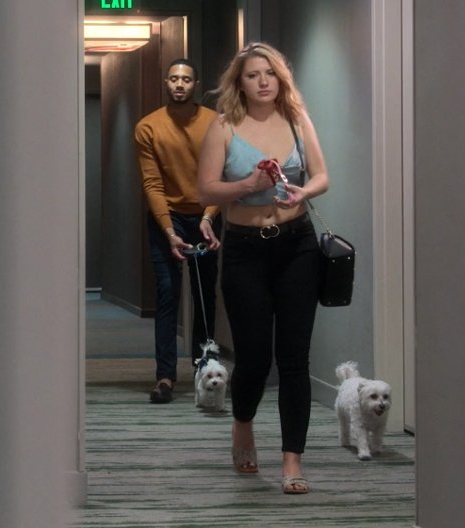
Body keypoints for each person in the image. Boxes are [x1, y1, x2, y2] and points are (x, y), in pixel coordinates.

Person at [196, 42, 329, 495]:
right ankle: (243, 423)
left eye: (269, 73)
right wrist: (247, 184)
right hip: (245, 250)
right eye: (253, 75)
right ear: (240, 83)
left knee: (294, 358)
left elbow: (322, 175)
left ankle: (293, 460)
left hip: (297, 245)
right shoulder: (224, 127)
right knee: (254, 356)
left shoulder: (297, 119)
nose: (263, 81)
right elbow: (205, 191)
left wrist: (304, 192)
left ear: (281, 78)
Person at [134, 58, 224, 404]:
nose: (179, 84)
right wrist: (169, 230)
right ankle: (165, 376)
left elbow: (221, 175)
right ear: (166, 83)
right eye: (173, 79)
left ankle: (204, 370)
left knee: (204, 296)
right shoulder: (148, 127)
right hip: (167, 218)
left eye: (186, 79)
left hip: (204, 216)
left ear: (195, 84)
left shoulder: (215, 123)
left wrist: (209, 217)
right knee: (168, 294)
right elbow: (152, 183)